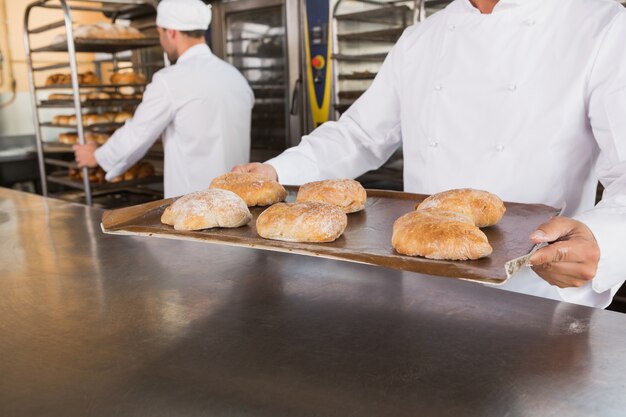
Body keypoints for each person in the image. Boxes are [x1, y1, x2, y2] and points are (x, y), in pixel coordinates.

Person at [233, 0, 626, 308]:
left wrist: (603, 240)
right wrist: (274, 171)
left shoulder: (601, 26)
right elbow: (360, 134)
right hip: (423, 287)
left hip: (538, 292)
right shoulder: (421, 37)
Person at [74, 0, 254, 198]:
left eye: (160, 33)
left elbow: (138, 133)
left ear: (171, 32)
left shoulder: (170, 80)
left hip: (193, 206)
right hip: (237, 200)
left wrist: (98, 156)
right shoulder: (235, 77)